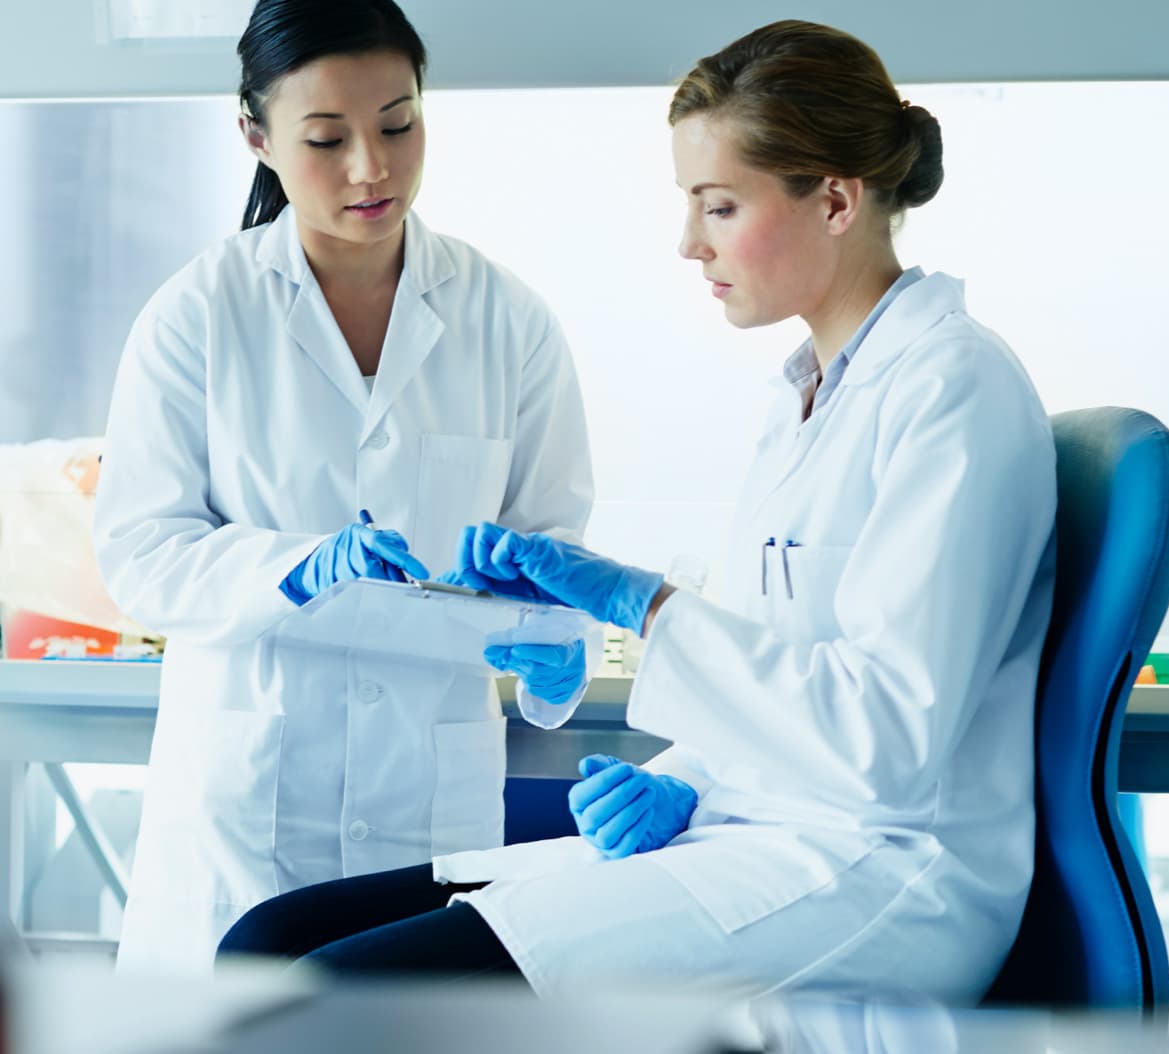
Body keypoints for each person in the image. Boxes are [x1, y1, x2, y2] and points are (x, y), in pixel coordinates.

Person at [217, 19, 1057, 1003]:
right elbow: (778, 673)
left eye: (719, 205)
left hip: (884, 869)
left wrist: (642, 604)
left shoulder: (950, 390)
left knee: (336, 993)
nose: (688, 241)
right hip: (761, 828)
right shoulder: (810, 398)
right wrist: (685, 779)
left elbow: (887, 742)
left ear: (834, 199)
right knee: (268, 939)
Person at [93, 0, 596, 974]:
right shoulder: (199, 314)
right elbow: (139, 557)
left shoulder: (507, 319)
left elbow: (553, 550)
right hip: (245, 818)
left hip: (429, 806)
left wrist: (553, 648)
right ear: (256, 135)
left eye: (398, 124)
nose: (371, 167)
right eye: (327, 138)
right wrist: (293, 569)